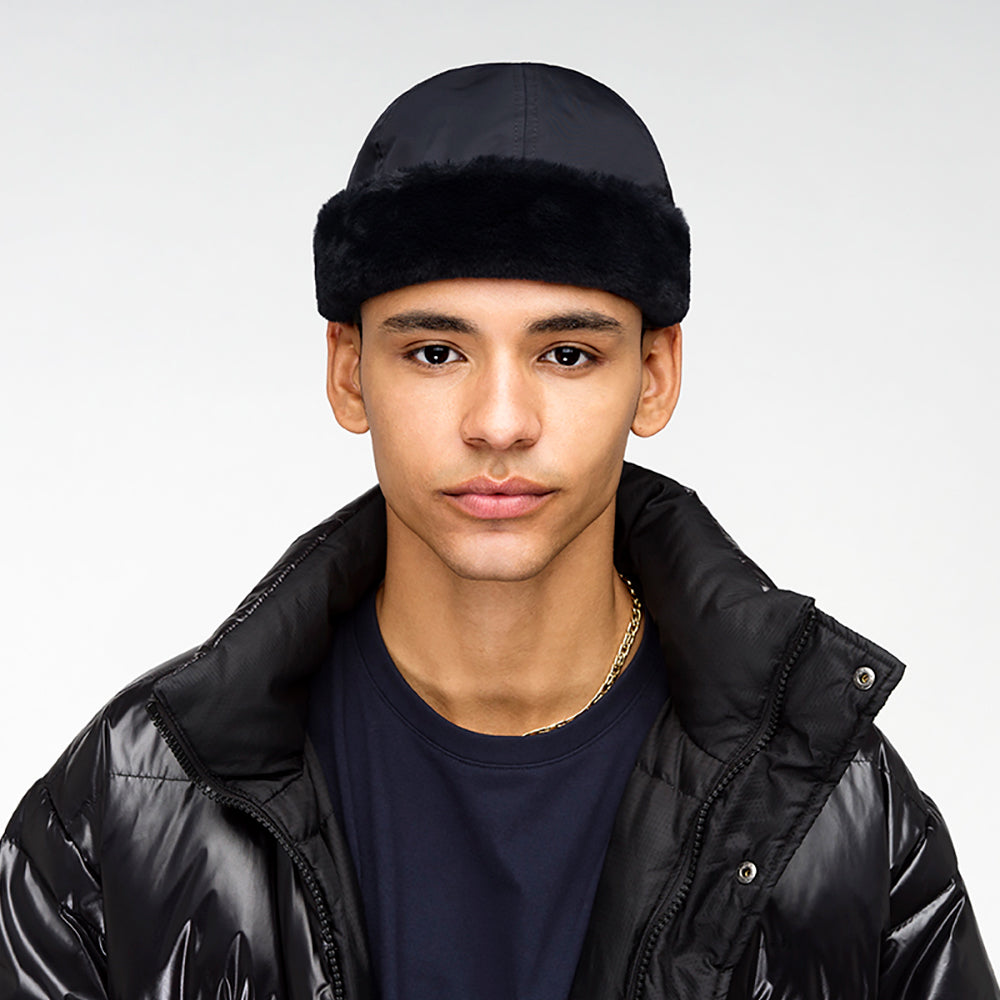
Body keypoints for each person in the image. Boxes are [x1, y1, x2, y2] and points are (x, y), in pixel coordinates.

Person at [0, 61, 996, 1000]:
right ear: (349, 372)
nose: (500, 421)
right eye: (436, 352)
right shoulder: (135, 795)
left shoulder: (829, 804)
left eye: (566, 354)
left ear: (654, 377)